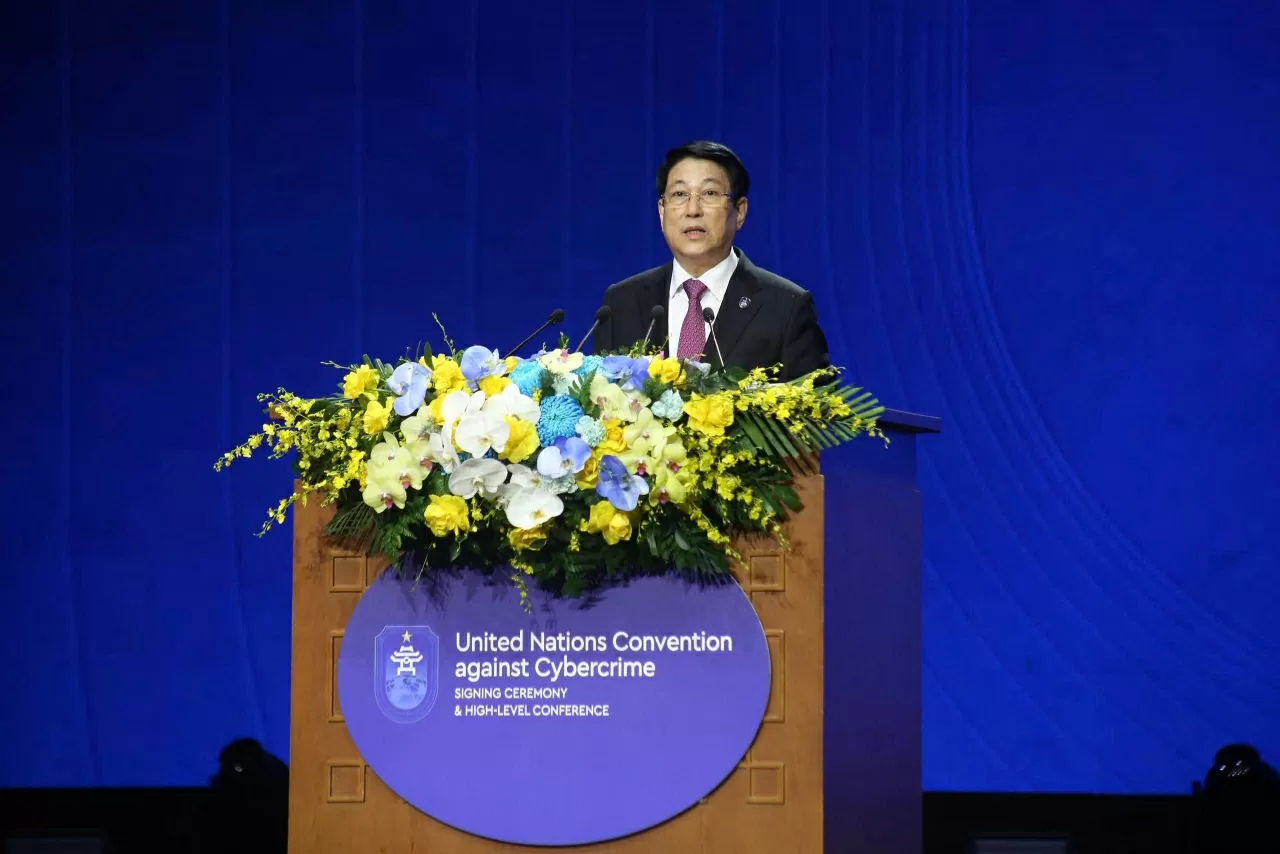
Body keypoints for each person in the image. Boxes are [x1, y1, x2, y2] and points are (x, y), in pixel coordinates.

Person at [593, 140, 831, 382]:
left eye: (709, 193)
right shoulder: (621, 302)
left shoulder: (785, 307)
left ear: (739, 211)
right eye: (679, 194)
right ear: (662, 211)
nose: (693, 209)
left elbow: (815, 416)